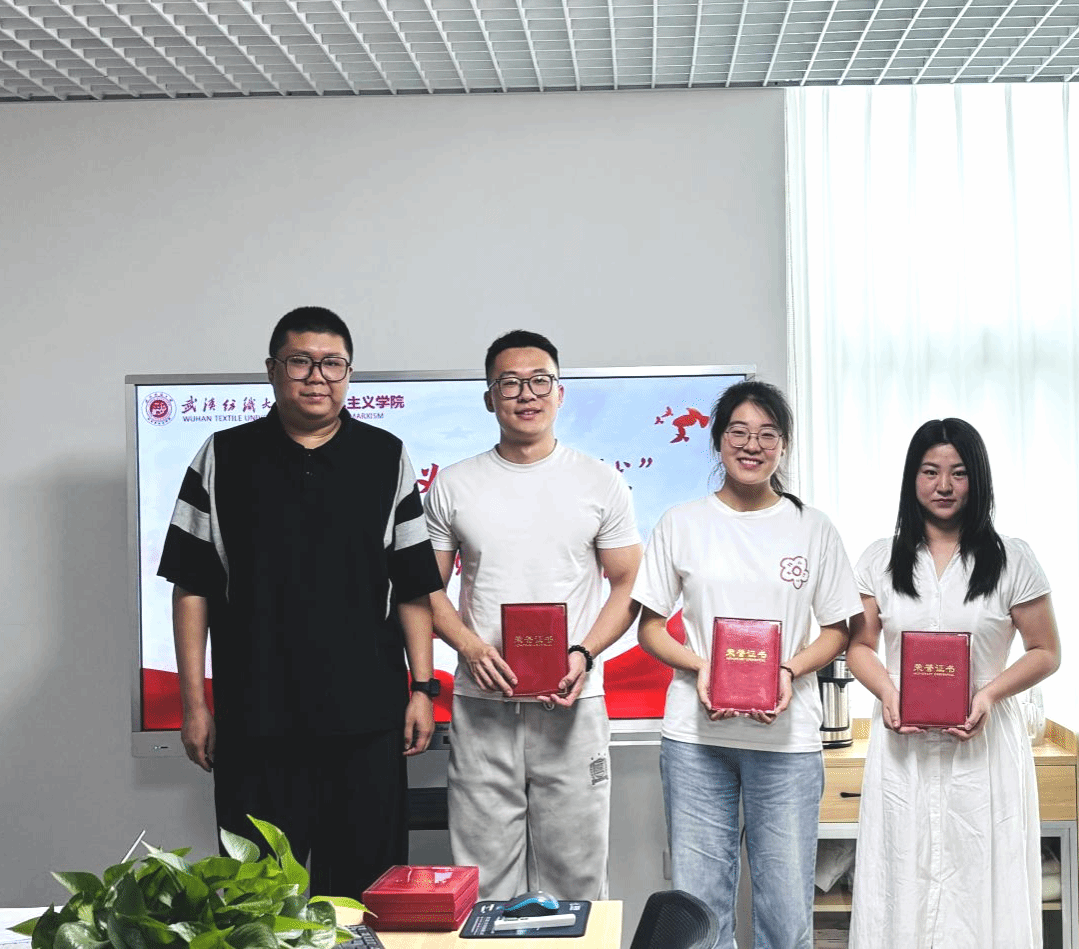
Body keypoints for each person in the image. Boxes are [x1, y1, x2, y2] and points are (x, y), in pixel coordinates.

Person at [157, 306, 442, 898]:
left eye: (333, 363)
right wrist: (194, 705)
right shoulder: (223, 456)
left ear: (349, 373)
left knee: (364, 901)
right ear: (272, 370)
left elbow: (414, 586)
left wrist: (422, 688)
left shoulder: (385, 456)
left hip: (366, 723)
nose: (317, 376)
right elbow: (192, 588)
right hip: (256, 721)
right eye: (300, 362)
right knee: (257, 903)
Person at [631, 380, 860, 949]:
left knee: (784, 911)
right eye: (738, 431)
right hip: (696, 740)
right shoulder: (682, 522)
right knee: (700, 907)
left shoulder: (812, 528)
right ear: (718, 441)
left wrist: (788, 671)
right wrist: (701, 667)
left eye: (767, 434)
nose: (752, 444)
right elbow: (650, 628)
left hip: (786, 741)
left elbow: (837, 630)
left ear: (783, 445)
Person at [423, 329, 642, 901]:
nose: (527, 394)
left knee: (576, 877)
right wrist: (471, 648)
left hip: (572, 702)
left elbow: (627, 583)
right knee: (482, 878)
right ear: (488, 397)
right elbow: (427, 589)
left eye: (540, 380)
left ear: (560, 393)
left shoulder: (600, 481)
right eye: (510, 383)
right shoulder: (454, 484)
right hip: (483, 704)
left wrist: (584, 653)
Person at [846, 417, 1062, 949]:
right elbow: (859, 647)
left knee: (983, 876)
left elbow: (1045, 651)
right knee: (902, 873)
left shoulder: (1012, 557)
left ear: (977, 479)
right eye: (930, 472)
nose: (943, 485)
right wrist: (889, 691)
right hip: (903, 744)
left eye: (958, 473)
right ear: (912, 479)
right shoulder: (880, 558)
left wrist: (988, 693)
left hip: (985, 743)